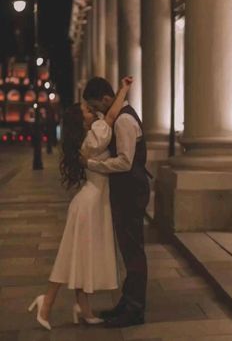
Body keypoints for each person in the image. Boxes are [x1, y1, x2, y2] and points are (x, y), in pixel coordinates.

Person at [27, 76, 133, 330]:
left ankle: (80, 307)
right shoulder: (94, 135)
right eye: (87, 110)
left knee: (78, 256)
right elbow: (111, 115)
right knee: (70, 256)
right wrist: (124, 89)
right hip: (89, 204)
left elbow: (108, 115)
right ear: (82, 120)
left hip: (90, 201)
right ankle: (47, 302)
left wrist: (121, 90)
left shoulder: (88, 139)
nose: (92, 110)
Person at [83, 77, 150, 328]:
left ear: (106, 99)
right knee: (129, 249)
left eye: (96, 106)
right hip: (128, 191)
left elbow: (124, 161)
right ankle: (128, 301)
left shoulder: (123, 120)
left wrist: (93, 165)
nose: (98, 112)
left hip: (131, 192)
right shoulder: (120, 115)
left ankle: (134, 308)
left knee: (133, 250)